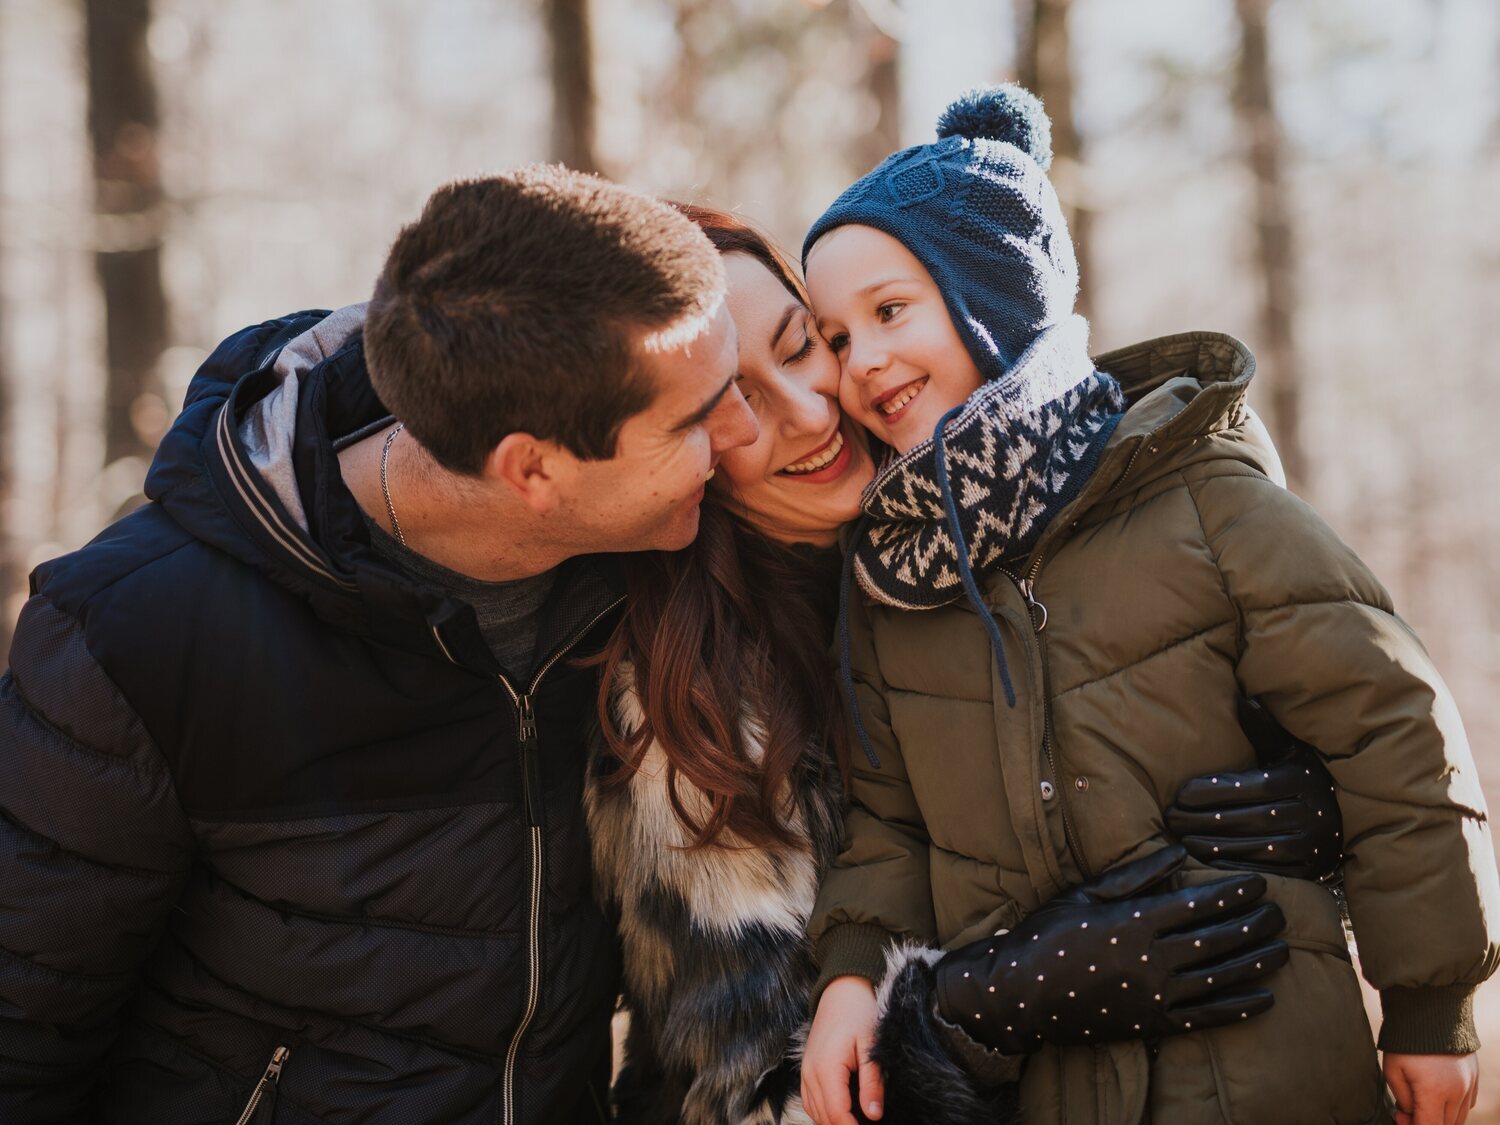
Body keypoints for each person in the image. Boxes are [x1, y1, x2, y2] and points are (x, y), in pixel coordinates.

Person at [799, 85, 1500, 1125]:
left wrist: (1429, 1005)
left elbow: (1392, 728)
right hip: (1046, 1077)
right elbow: (890, 823)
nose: (863, 363)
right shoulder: (896, 581)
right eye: (835, 337)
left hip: (1266, 1052)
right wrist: (853, 976)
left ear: (994, 290)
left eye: (889, 311)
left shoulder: (1205, 500)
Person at [0, 167, 759, 1124]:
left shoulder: (651, 571)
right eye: (699, 417)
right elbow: (20, 1038)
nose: (746, 430)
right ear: (532, 467)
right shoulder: (133, 638)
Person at [585, 204, 1345, 1125]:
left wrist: (1307, 783)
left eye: (800, 346)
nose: (809, 409)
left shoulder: (1020, 535)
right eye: (733, 402)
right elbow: (755, 1103)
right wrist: (972, 1010)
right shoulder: (687, 715)